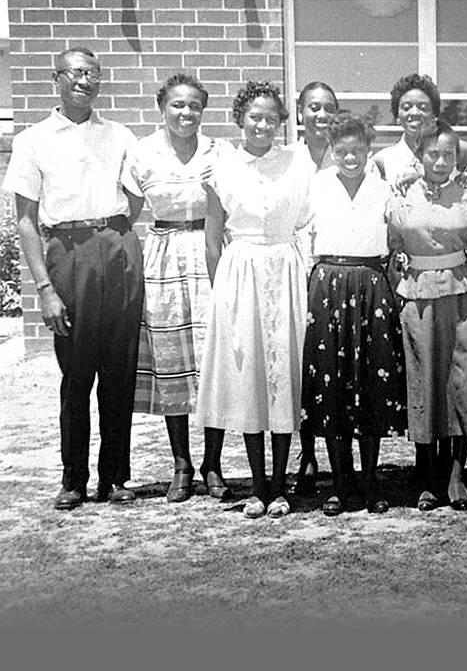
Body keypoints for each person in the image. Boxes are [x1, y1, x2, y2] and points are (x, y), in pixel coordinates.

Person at [3, 47, 144, 510]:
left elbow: (134, 198)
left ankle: (115, 477)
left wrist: (114, 235)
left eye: (93, 74)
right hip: (67, 253)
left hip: (117, 248)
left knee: (119, 371)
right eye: (75, 73)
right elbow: (25, 220)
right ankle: (74, 479)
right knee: (77, 373)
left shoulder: (120, 135)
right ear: (56, 79)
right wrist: (45, 287)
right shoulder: (32, 140)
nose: (84, 81)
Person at [195, 81, 312, 519]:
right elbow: (212, 240)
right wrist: (221, 293)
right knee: (248, 377)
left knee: (281, 373)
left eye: (270, 118)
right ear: (239, 119)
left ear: (281, 123)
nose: (262, 125)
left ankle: (280, 485)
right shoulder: (220, 167)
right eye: (254, 117)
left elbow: (305, 220)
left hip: (283, 268)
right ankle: (258, 486)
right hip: (239, 273)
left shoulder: (296, 164)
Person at [125, 74, 229, 503]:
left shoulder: (218, 152)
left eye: (194, 107)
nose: (186, 114)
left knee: (212, 358)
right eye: (177, 106)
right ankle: (182, 463)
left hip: (209, 251)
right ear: (161, 107)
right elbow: (126, 214)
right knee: (172, 362)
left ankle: (214, 463)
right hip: (164, 256)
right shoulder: (143, 152)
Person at [301, 112, 407, 515]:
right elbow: (300, 232)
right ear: (331, 149)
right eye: (342, 151)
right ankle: (339, 484)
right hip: (328, 286)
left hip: (371, 286)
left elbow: (396, 237)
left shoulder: (383, 189)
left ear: (368, 150)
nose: (350, 158)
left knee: (369, 384)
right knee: (332, 387)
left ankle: (369, 481)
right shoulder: (317, 186)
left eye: (357, 150)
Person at [388, 120, 467, 512]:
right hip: (416, 293)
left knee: (460, 377)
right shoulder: (399, 195)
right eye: (434, 154)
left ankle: (457, 473)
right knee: (423, 377)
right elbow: (391, 246)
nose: (442, 161)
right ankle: (426, 470)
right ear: (419, 156)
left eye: (449, 155)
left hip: (460, 291)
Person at [288, 80, 339, 496]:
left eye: (329, 108)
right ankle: (307, 452)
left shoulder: (349, 158)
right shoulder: (287, 160)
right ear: (300, 111)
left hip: (336, 270)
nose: (322, 116)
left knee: (334, 363)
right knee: (303, 362)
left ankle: (344, 453)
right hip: (297, 265)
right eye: (314, 108)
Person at [372, 73, 467, 188]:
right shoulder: (384, 159)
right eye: (406, 107)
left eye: (423, 108)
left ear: (434, 114)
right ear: (397, 117)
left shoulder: (454, 148)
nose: (415, 113)